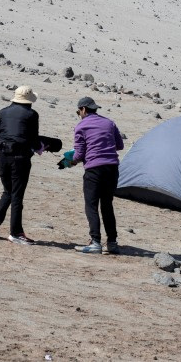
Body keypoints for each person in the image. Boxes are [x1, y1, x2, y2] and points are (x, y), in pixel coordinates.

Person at [0, 86, 41, 244]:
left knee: (8, 191)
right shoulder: (32, 114)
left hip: (3, 155)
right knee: (17, 195)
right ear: (29, 101)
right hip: (20, 158)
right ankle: (15, 233)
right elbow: (34, 139)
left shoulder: (3, 111)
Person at [70, 97, 124, 254]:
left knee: (91, 205)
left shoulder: (81, 126)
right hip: (112, 168)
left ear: (84, 110)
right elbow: (119, 145)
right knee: (107, 205)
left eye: (78, 111)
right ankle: (112, 243)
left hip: (94, 169)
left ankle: (95, 242)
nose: (78, 114)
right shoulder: (109, 123)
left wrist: (69, 161)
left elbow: (79, 154)